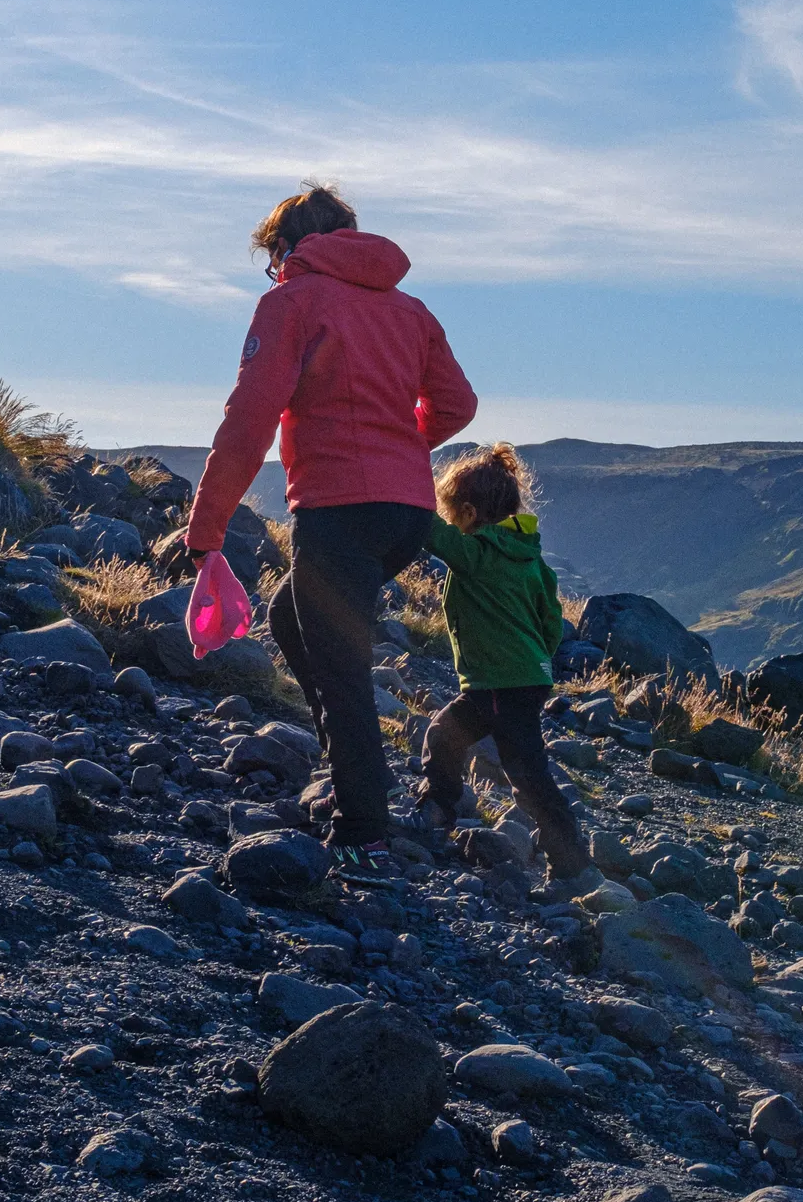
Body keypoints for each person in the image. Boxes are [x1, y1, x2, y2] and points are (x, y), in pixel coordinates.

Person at [177, 181, 478, 876]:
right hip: (406, 515)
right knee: (292, 617)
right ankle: (356, 770)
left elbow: (249, 421)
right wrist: (400, 448)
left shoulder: (291, 302)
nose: (273, 269)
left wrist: (206, 531)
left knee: (342, 669)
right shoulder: (411, 310)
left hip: (338, 509)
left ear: (289, 248)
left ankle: (363, 828)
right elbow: (457, 405)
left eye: (273, 257)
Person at [419, 442, 595, 890]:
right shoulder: (531, 559)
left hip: (499, 682)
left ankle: (570, 860)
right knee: (445, 734)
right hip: (520, 678)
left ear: (470, 512)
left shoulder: (477, 553)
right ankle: (438, 808)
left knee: (526, 773)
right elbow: (551, 622)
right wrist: (536, 657)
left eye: (453, 512)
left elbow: (432, 534)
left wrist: (404, 488)